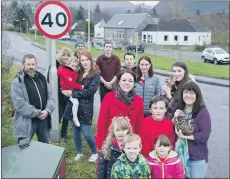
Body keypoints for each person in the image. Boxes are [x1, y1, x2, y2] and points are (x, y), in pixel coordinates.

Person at [62, 50, 100, 162]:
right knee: (75, 131)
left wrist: (73, 93)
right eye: (82, 60)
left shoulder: (95, 75)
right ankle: (79, 152)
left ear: (90, 60)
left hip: (85, 108)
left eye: (86, 60)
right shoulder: (77, 72)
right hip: (73, 106)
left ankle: (94, 152)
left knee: (87, 132)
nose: (84, 62)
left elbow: (90, 91)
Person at [96, 69, 144, 150]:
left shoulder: (138, 101)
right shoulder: (109, 97)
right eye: (124, 80)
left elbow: (139, 125)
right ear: (119, 82)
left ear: (134, 83)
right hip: (111, 140)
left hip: (130, 143)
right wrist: (100, 143)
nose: (127, 83)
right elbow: (102, 122)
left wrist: (138, 143)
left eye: (130, 81)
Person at [11, 54, 54, 143]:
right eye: (28, 64)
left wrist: (47, 110)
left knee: (45, 147)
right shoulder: (17, 82)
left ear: (36, 65)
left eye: (33, 64)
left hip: (43, 120)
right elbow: (20, 104)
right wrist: (37, 113)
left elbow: (51, 97)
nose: (31, 67)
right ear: (23, 65)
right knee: (24, 148)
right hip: (26, 121)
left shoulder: (42, 78)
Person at [173, 80, 211, 178]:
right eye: (186, 92)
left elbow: (205, 135)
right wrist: (174, 117)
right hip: (178, 156)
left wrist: (185, 136)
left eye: (192, 93)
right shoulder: (179, 108)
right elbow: (170, 128)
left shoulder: (202, 112)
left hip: (196, 158)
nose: (188, 95)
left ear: (197, 95)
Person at [57, 56, 83, 127]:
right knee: (75, 103)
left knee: (72, 107)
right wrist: (81, 87)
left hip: (71, 91)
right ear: (68, 65)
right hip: (67, 91)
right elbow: (71, 83)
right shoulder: (66, 72)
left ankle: (72, 120)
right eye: (72, 66)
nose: (73, 67)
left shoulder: (73, 72)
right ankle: (75, 118)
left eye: (75, 66)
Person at [56, 47, 72, 140]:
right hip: (59, 95)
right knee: (58, 115)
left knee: (67, 116)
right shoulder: (56, 65)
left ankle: (64, 134)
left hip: (69, 96)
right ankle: (53, 133)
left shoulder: (71, 66)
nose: (66, 57)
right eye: (64, 55)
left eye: (68, 55)